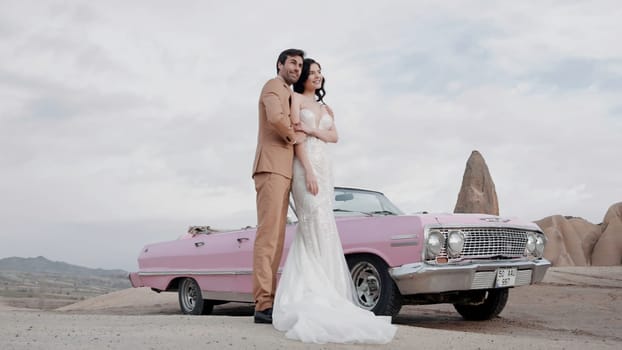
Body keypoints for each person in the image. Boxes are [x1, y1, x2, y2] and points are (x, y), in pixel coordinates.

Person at [272, 58, 397, 344]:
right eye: (312, 72)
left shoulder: (326, 108)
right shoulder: (295, 99)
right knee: (313, 220)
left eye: (319, 72)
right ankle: (311, 291)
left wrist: (316, 131)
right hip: (305, 168)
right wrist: (309, 172)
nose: (317, 76)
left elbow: (334, 136)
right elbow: (296, 139)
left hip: (325, 167)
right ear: (302, 76)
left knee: (326, 223)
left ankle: (329, 288)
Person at [251, 48, 306, 324]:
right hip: (271, 167)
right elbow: (274, 118)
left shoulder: (289, 91)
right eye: (292, 63)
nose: (296, 68)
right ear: (280, 65)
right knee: (269, 237)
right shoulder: (273, 85)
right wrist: (294, 136)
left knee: (278, 239)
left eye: (299, 64)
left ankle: (268, 301)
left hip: (283, 171)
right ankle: (262, 304)